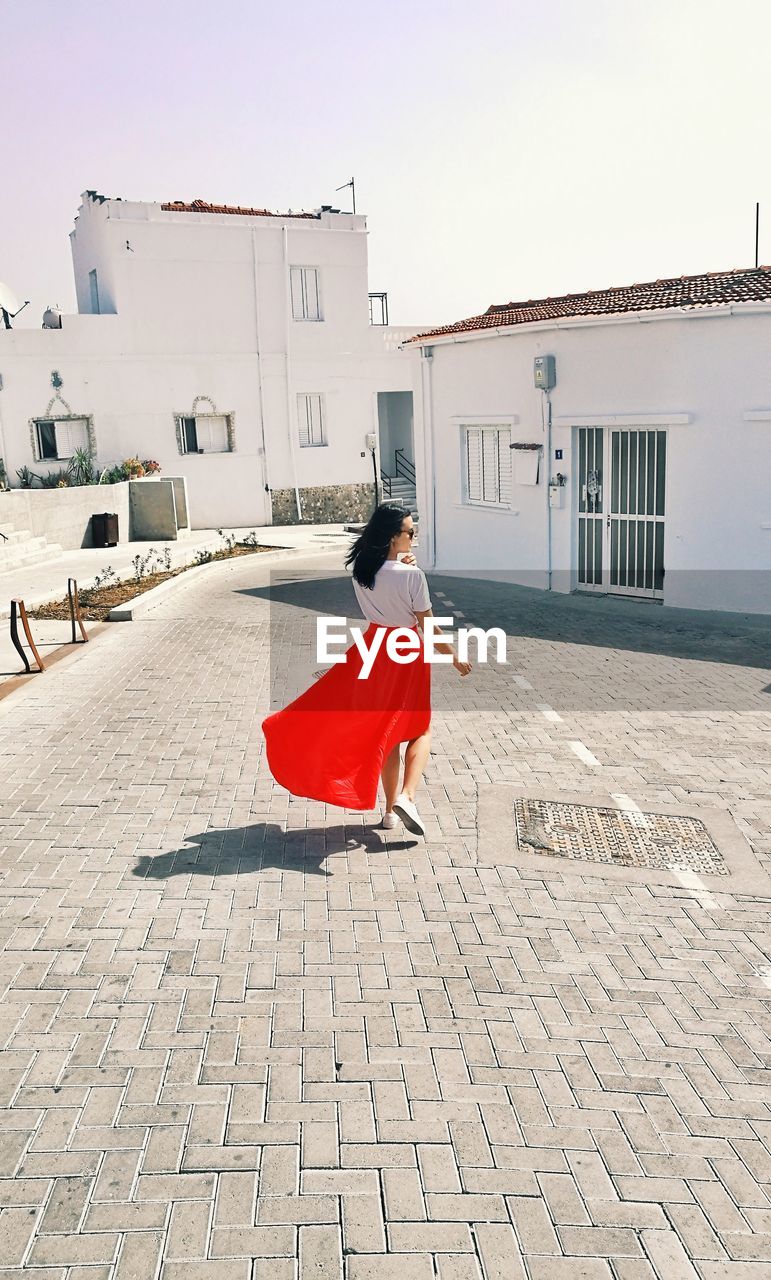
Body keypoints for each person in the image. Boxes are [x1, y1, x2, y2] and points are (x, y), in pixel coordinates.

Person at [261, 503, 472, 837]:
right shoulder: (413, 576)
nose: (413, 537)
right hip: (406, 650)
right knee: (419, 729)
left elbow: (388, 581)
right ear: (393, 537)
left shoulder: (362, 569)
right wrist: (456, 657)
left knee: (388, 733)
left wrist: (403, 565)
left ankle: (389, 813)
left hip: (374, 646)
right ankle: (407, 796)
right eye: (409, 532)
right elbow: (428, 628)